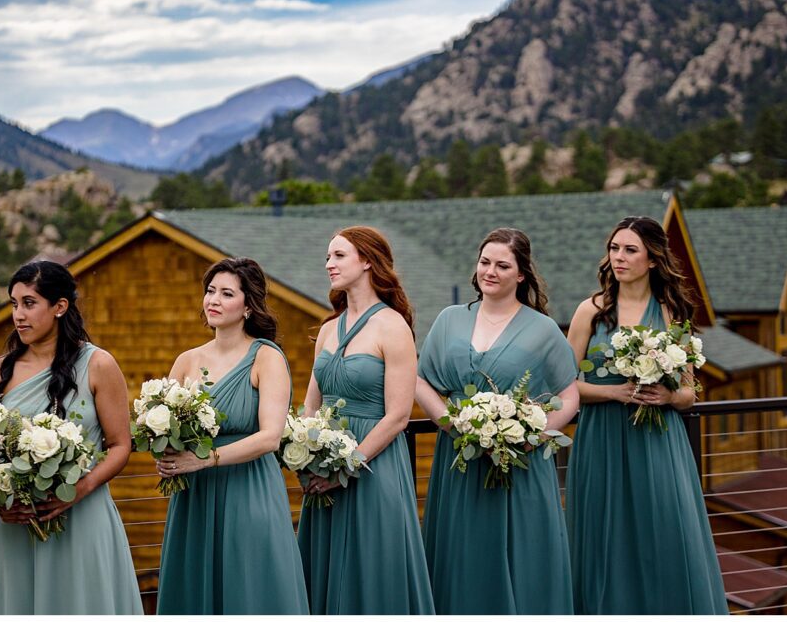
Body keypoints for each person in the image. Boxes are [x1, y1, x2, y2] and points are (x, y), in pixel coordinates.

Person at [565, 216, 727, 614]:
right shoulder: (591, 311)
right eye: (614, 249)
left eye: (630, 250)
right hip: (601, 440)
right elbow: (563, 386)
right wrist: (613, 392)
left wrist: (669, 396)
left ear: (653, 259)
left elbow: (689, 393)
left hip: (658, 444)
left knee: (665, 532)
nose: (618, 257)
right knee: (605, 538)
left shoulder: (672, 312)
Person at [414, 227, 579, 614]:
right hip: (460, 461)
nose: (490, 271)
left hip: (519, 464)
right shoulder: (450, 320)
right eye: (485, 262)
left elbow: (569, 394)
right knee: (463, 554)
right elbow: (421, 381)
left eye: (503, 265)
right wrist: (452, 423)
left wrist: (535, 434)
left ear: (521, 274)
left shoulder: (542, 329)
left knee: (521, 554)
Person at [0, 261, 142, 615]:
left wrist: (80, 489)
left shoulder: (98, 365)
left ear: (59, 306)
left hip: (81, 517)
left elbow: (120, 446)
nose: (19, 315)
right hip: (15, 525)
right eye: (14, 304)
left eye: (29, 303)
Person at [154, 257, 309, 614]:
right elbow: (165, 425)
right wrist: (164, 452)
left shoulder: (266, 357)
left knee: (249, 588)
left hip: (248, 489)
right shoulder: (186, 361)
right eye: (210, 291)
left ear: (248, 306)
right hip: (195, 496)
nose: (214, 300)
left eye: (227, 294)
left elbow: (270, 437)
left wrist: (205, 459)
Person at [296, 226, 435, 614]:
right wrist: (306, 455)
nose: (329, 264)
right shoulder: (328, 329)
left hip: (373, 467)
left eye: (339, 255)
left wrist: (345, 466)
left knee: (373, 569)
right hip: (323, 469)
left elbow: (398, 416)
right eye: (328, 256)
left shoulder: (393, 326)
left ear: (368, 262)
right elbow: (310, 405)